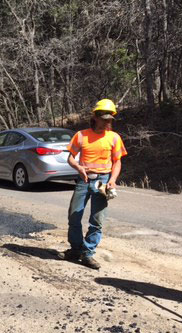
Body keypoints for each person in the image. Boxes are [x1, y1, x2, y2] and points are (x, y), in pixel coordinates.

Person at [58, 98, 127, 270]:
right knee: (74, 216)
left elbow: (117, 162)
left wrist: (112, 180)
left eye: (109, 119)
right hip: (84, 180)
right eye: (104, 118)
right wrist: (79, 168)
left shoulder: (114, 138)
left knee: (97, 220)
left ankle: (87, 253)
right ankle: (75, 250)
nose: (107, 122)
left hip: (103, 182)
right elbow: (70, 158)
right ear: (95, 117)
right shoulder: (81, 135)